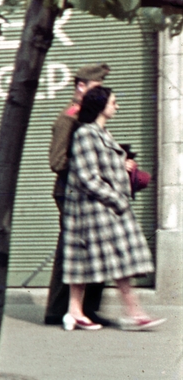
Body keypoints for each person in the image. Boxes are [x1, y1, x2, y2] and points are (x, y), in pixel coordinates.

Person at [63, 87, 162, 331]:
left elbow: (103, 166)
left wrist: (123, 164)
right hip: (99, 209)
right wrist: (117, 200)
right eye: (114, 102)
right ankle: (133, 313)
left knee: (89, 260)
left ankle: (75, 312)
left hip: (104, 209)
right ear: (101, 105)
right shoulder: (86, 134)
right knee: (117, 260)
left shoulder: (100, 133)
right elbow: (87, 176)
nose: (117, 106)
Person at [45, 63, 110, 327]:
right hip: (70, 192)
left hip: (87, 192)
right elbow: (57, 161)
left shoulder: (88, 117)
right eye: (97, 87)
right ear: (81, 87)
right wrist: (90, 164)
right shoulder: (69, 118)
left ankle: (87, 308)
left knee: (97, 248)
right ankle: (57, 310)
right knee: (71, 251)